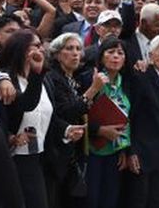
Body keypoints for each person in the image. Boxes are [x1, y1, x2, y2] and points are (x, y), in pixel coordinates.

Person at [1, 29, 84, 208]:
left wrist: (66, 130)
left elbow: (49, 117)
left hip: (41, 157)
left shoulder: (45, 79)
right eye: (36, 46)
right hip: (13, 157)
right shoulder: (5, 78)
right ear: (22, 49)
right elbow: (21, 107)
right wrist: (9, 136)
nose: (42, 50)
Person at [44, 33, 108, 208]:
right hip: (56, 154)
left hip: (74, 153)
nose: (75, 53)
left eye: (79, 49)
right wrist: (93, 89)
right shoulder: (52, 77)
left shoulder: (73, 78)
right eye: (69, 48)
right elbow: (66, 112)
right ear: (56, 54)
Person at [126, 35, 159, 208]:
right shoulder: (142, 75)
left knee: (156, 199)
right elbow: (130, 115)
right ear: (151, 54)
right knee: (140, 199)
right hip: (141, 151)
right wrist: (131, 151)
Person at [83, 37, 132, 208]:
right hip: (90, 152)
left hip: (114, 151)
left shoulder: (125, 83)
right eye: (110, 52)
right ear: (101, 56)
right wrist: (99, 130)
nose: (116, 56)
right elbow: (76, 114)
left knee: (110, 200)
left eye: (120, 53)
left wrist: (123, 149)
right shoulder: (89, 78)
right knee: (91, 200)